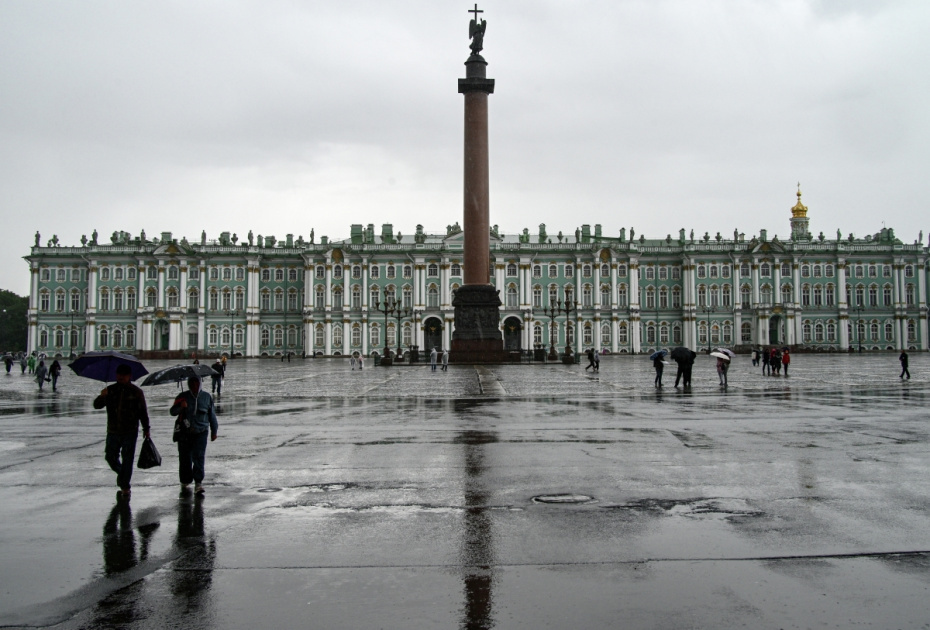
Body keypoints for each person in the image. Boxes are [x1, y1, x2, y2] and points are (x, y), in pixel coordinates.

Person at [93, 364, 151, 500]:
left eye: (123, 375)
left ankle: (125, 486)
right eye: (119, 374)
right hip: (113, 430)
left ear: (129, 376)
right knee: (110, 457)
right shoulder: (110, 390)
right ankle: (123, 476)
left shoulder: (136, 392)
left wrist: (146, 428)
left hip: (130, 431)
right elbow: (96, 405)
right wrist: (102, 396)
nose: (120, 377)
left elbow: (143, 412)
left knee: (127, 459)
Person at [170, 376, 219, 495]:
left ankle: (198, 482)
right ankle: (185, 480)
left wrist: (214, 431)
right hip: (184, 433)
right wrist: (181, 407)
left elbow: (211, 415)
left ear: (200, 383)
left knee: (199, 456)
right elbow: (172, 412)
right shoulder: (182, 397)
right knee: (185, 458)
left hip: (201, 432)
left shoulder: (206, 397)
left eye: (196, 382)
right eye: (191, 382)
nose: (194, 385)